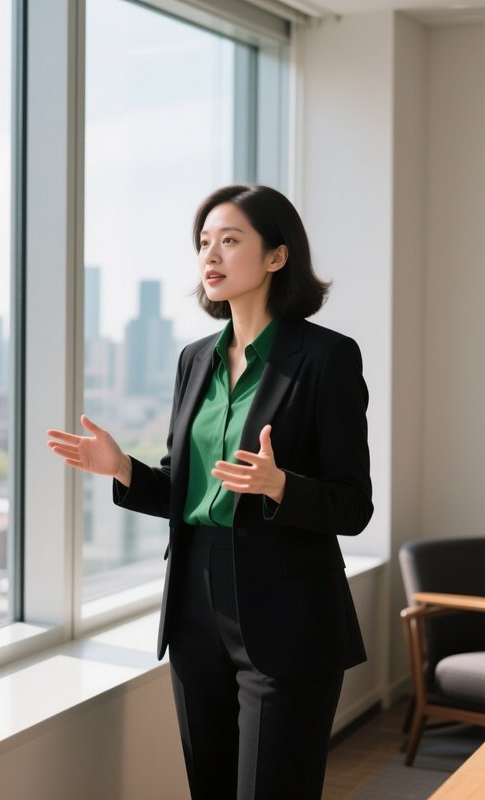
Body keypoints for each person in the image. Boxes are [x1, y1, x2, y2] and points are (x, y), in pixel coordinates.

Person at [46, 184, 373, 799]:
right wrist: (122, 469)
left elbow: (354, 506)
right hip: (196, 604)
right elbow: (182, 490)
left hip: (288, 613)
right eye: (203, 243)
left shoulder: (327, 357)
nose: (210, 256)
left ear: (277, 257)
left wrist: (280, 486)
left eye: (229, 240)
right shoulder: (195, 359)